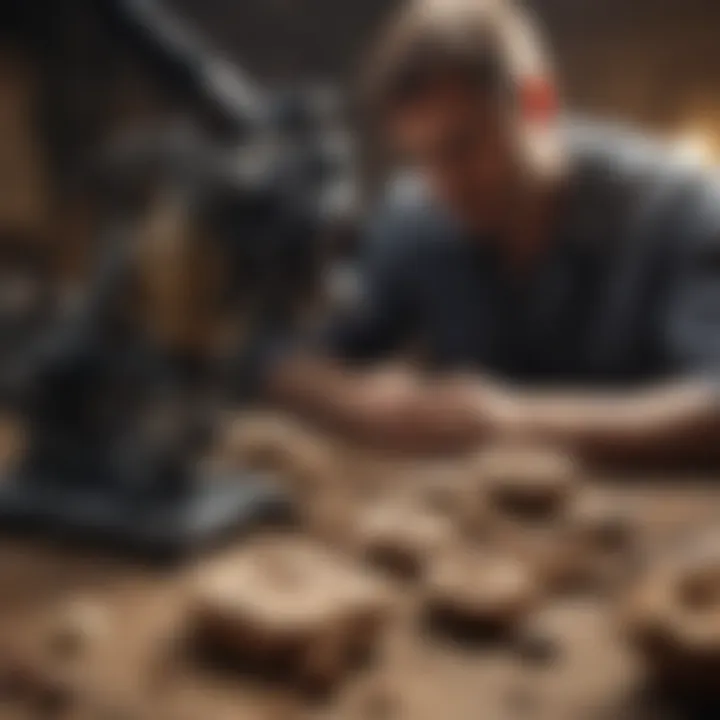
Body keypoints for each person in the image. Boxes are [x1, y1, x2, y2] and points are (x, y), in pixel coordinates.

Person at [259, 0, 720, 466]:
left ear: (539, 103)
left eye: (461, 147)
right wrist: (362, 406)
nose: (444, 185)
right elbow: (279, 356)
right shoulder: (416, 215)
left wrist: (509, 421)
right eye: (421, 159)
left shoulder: (679, 210)